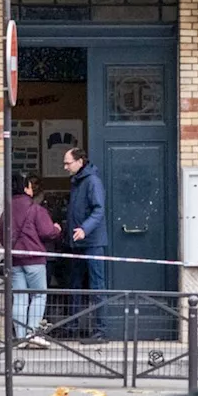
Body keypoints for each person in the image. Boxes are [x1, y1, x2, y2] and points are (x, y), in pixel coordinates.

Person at [0, 171, 62, 349]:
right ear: (27, 188)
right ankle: (32, 333)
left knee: (20, 297)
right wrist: (57, 229)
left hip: (15, 260)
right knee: (39, 295)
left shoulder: (7, 210)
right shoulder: (35, 208)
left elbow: (2, 237)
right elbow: (47, 232)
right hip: (34, 258)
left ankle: (20, 337)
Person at [63, 146, 109, 344]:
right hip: (78, 242)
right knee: (74, 284)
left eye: (68, 163)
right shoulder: (78, 182)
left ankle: (101, 330)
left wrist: (84, 229)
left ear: (80, 162)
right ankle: (72, 326)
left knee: (97, 285)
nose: (65, 167)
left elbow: (99, 210)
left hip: (92, 243)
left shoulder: (92, 182)